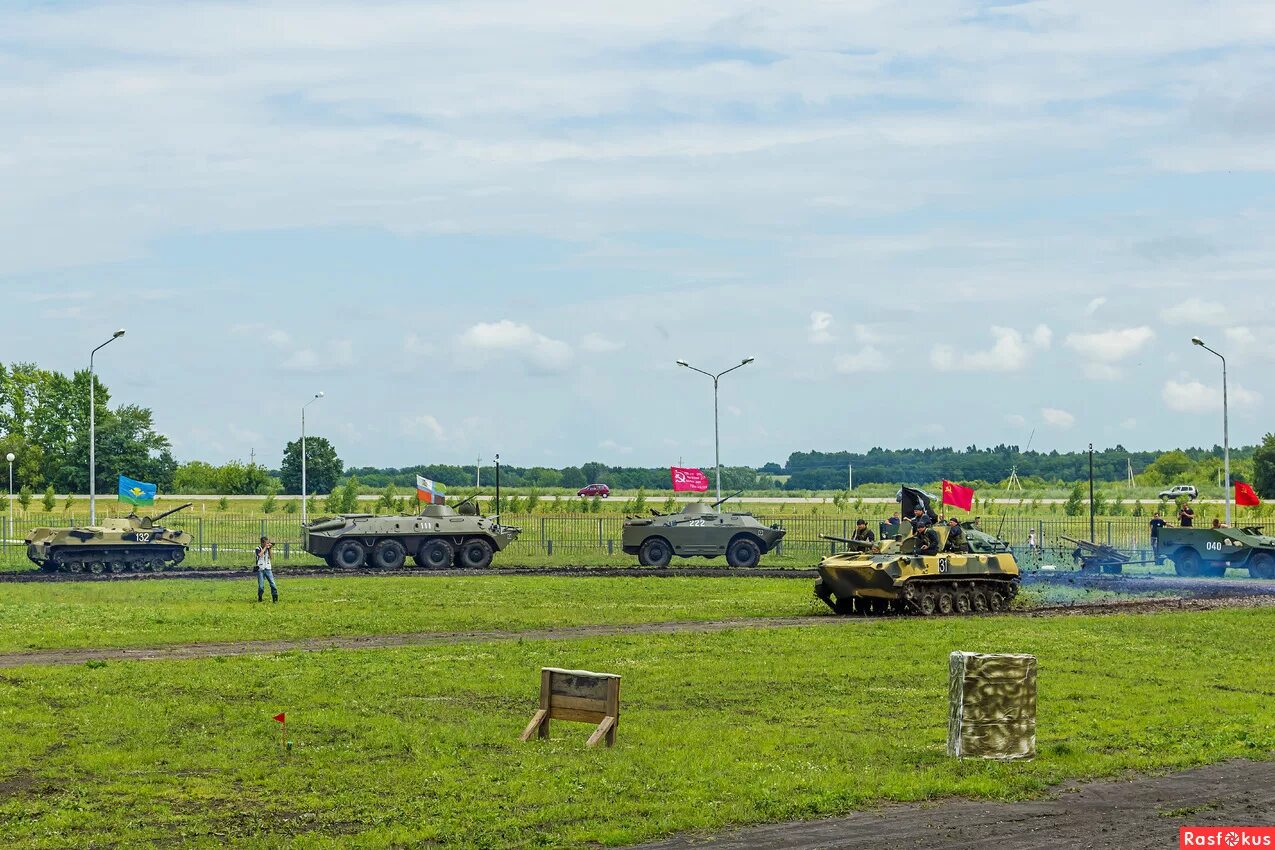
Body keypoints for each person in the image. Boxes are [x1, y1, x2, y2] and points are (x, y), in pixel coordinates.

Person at [255, 536, 278, 603]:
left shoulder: (267, 549)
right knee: (261, 586)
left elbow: (271, 557)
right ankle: (260, 597)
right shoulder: (258, 548)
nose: (267, 544)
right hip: (260, 569)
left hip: (268, 568)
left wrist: (270, 549)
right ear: (262, 543)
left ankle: (275, 598)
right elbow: (259, 555)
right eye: (266, 543)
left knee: (273, 584)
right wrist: (265, 548)